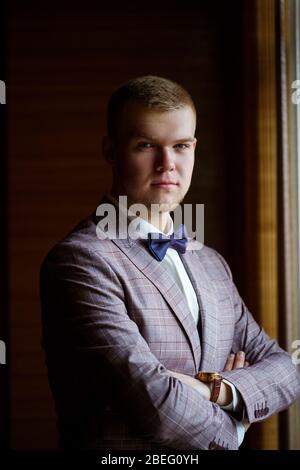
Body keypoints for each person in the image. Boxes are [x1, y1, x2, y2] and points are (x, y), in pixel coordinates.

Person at [40, 75, 300, 450]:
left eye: (180, 146)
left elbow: (285, 370)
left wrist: (221, 391)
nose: (167, 164)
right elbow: (157, 406)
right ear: (111, 151)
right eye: (146, 145)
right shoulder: (78, 263)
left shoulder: (210, 263)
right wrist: (236, 429)